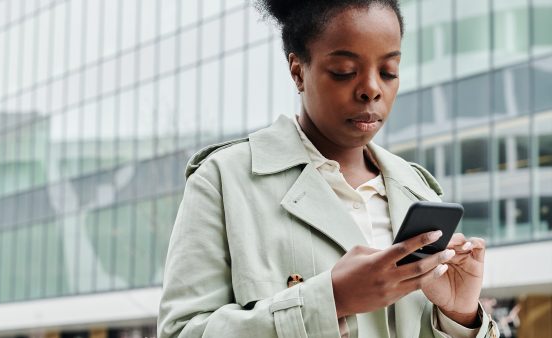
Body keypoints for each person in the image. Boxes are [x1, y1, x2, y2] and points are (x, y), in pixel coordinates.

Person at [158, 0, 500, 337]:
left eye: (388, 72)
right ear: (298, 71)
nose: (371, 89)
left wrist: (460, 316)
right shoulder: (224, 180)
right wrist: (329, 300)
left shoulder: (419, 191)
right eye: (344, 72)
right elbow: (181, 332)